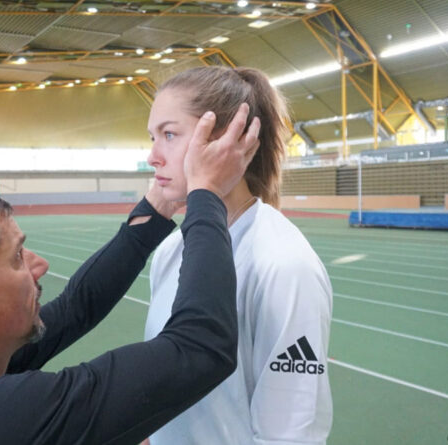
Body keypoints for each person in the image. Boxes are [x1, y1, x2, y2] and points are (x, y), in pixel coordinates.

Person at [0, 102, 262, 445]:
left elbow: (77, 307)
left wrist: (159, 206)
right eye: (17, 257)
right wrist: (207, 193)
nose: (39, 266)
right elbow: (201, 348)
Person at [143, 66, 333, 444]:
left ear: (226, 139)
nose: (152, 156)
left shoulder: (283, 265)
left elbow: (288, 435)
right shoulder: (170, 250)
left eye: (169, 134)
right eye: (152, 137)